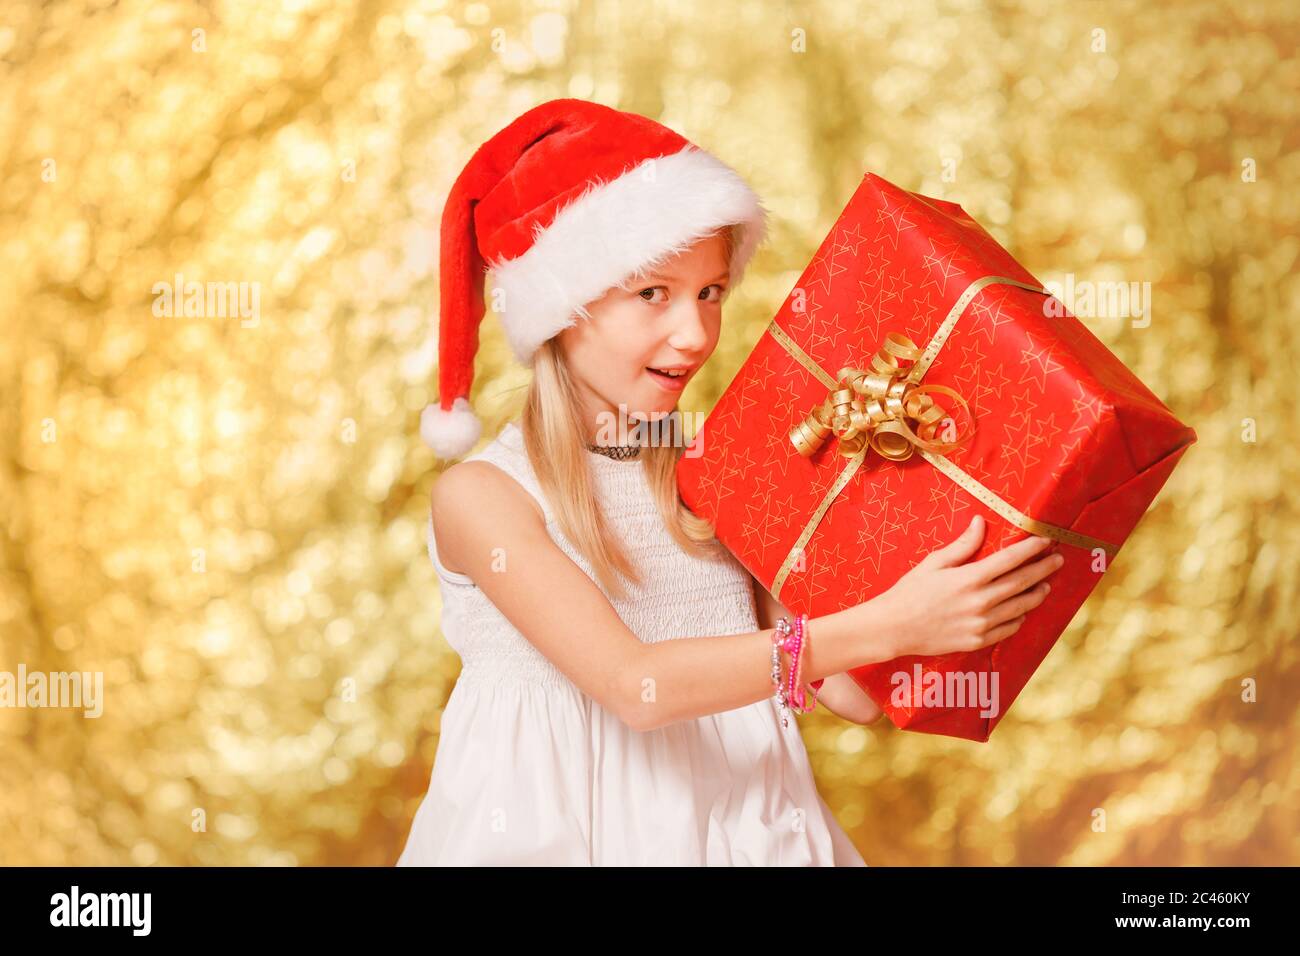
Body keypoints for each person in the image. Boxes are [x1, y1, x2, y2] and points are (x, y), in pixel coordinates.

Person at [397, 99, 1062, 866]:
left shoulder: (718, 463)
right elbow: (635, 686)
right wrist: (896, 624)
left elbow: (847, 695)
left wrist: (964, 563)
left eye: (710, 292)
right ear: (562, 308)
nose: (695, 334)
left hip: (741, 837)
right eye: (654, 294)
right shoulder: (484, 498)